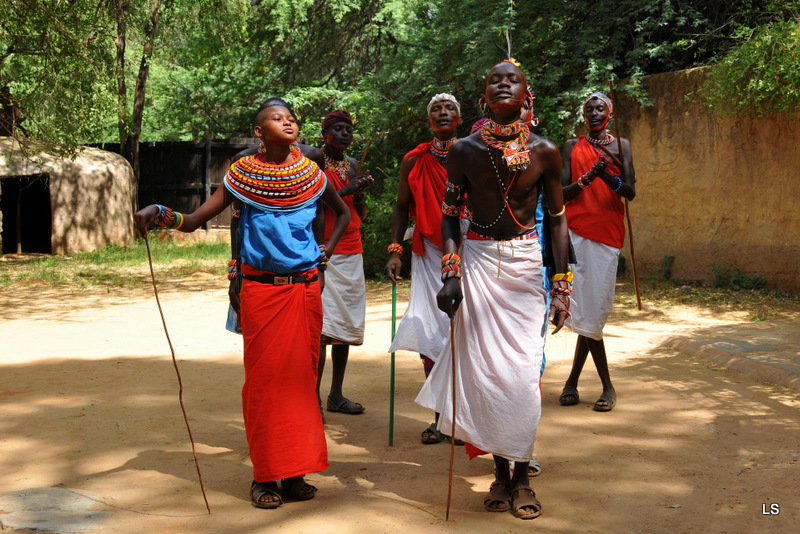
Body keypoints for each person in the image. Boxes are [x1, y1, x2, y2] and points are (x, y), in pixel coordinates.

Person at [134, 98, 351, 509]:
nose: (286, 122)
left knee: (300, 382)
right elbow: (197, 219)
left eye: (290, 118)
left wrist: (324, 256)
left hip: (304, 290)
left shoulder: (312, 174)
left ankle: (295, 473)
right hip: (262, 291)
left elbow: (340, 214)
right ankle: (265, 476)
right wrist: (159, 211)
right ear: (258, 132)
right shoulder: (242, 176)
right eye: (275, 118)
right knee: (265, 384)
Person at [416, 58, 571, 520]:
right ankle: (502, 475)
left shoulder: (545, 150)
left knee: (522, 376)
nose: (504, 84)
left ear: (527, 94)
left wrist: (562, 286)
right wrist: (450, 272)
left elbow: (558, 221)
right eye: (494, 80)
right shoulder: (463, 150)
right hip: (478, 263)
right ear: (484, 96)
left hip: (524, 266)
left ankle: (523, 475)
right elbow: (448, 215)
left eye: (514, 79)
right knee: (487, 375)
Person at [384, 93, 464, 445]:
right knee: (432, 333)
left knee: (465, 333)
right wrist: (394, 250)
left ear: (459, 118)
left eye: (449, 109)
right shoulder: (413, 160)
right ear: (428, 119)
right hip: (427, 252)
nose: (442, 112)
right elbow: (402, 206)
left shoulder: (474, 153)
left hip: (469, 251)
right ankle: (439, 418)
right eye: (436, 109)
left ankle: (464, 420)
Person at [558, 91, 636, 412]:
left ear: (609, 112)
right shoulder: (571, 147)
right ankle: (605, 387)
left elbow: (630, 191)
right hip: (575, 233)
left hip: (607, 235)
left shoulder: (622, 146)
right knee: (583, 310)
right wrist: (587, 179)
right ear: (583, 113)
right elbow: (560, 193)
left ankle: (574, 382)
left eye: (599, 107)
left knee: (593, 310)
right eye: (588, 108)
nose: (593, 112)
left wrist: (606, 175)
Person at [316, 109, 374, 415]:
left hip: (353, 250)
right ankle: (312, 398)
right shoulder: (314, 162)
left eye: (348, 129)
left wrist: (360, 194)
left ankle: (335, 395)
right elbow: (314, 202)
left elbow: (358, 215)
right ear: (325, 134)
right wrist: (348, 189)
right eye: (337, 128)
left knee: (343, 329)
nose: (344, 133)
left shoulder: (352, 166)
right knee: (322, 329)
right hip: (325, 248)